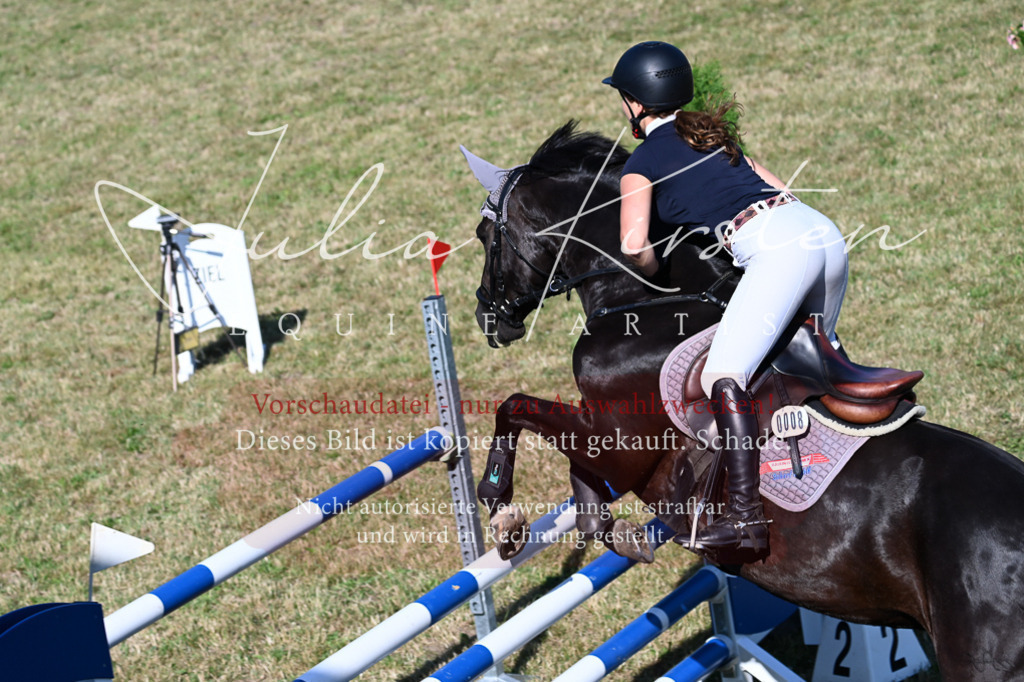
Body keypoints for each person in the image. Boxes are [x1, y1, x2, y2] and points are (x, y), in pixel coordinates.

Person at [603, 41, 849, 554]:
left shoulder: (641, 161)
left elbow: (634, 245)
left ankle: (744, 520)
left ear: (635, 103)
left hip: (776, 247)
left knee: (723, 377)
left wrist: (655, 267)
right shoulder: (712, 135)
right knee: (809, 356)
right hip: (820, 233)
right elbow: (780, 188)